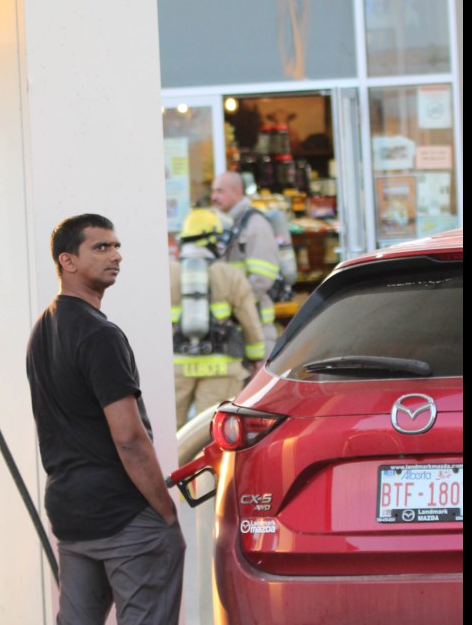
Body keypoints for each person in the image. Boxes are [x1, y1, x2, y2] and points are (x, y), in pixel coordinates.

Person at [26, 214, 185, 625]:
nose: (115, 256)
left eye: (116, 246)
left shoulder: (42, 329)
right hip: (123, 515)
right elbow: (129, 437)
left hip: (72, 512)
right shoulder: (101, 336)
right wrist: (165, 511)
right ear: (68, 261)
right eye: (100, 247)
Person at [170, 208, 265, 428]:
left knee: (169, 431)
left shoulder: (166, 273)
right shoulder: (230, 274)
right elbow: (250, 323)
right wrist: (256, 358)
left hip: (175, 369)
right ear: (213, 240)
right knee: (210, 432)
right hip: (221, 369)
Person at [210, 171, 283, 355]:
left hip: (257, 325)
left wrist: (238, 303)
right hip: (236, 325)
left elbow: (263, 277)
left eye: (220, 191)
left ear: (236, 192)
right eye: (213, 191)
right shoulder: (229, 223)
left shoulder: (255, 225)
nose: (213, 197)